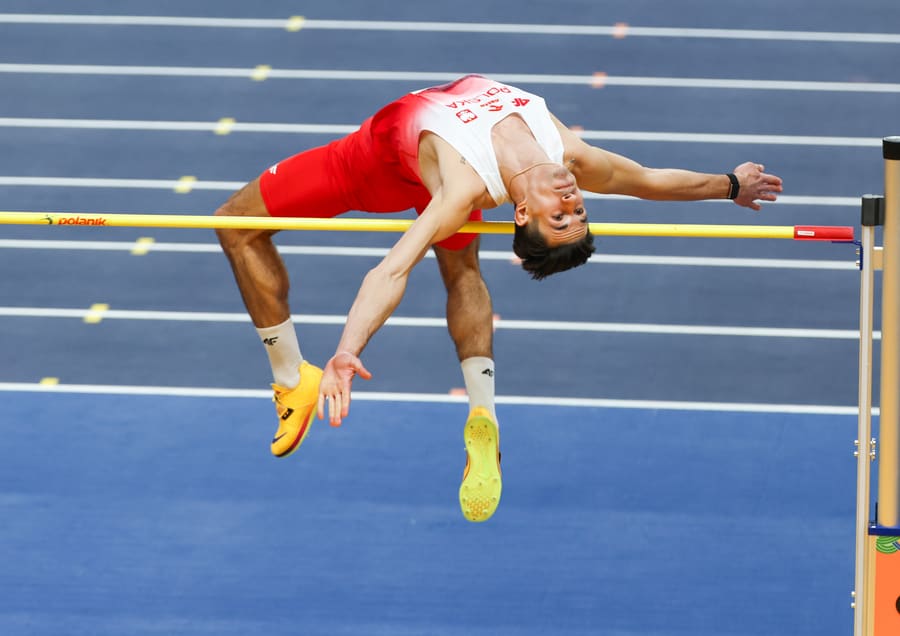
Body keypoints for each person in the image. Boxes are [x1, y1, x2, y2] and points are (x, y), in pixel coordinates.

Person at [215, 74, 782, 523]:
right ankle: (482, 409)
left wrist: (346, 349)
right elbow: (650, 180)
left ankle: (293, 378)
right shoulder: (571, 154)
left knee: (234, 223)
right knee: (462, 271)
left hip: (374, 166)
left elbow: (390, 270)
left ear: (522, 213)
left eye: (560, 216)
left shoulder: (462, 190)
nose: (571, 200)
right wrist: (730, 185)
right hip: (425, 160)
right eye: (578, 212)